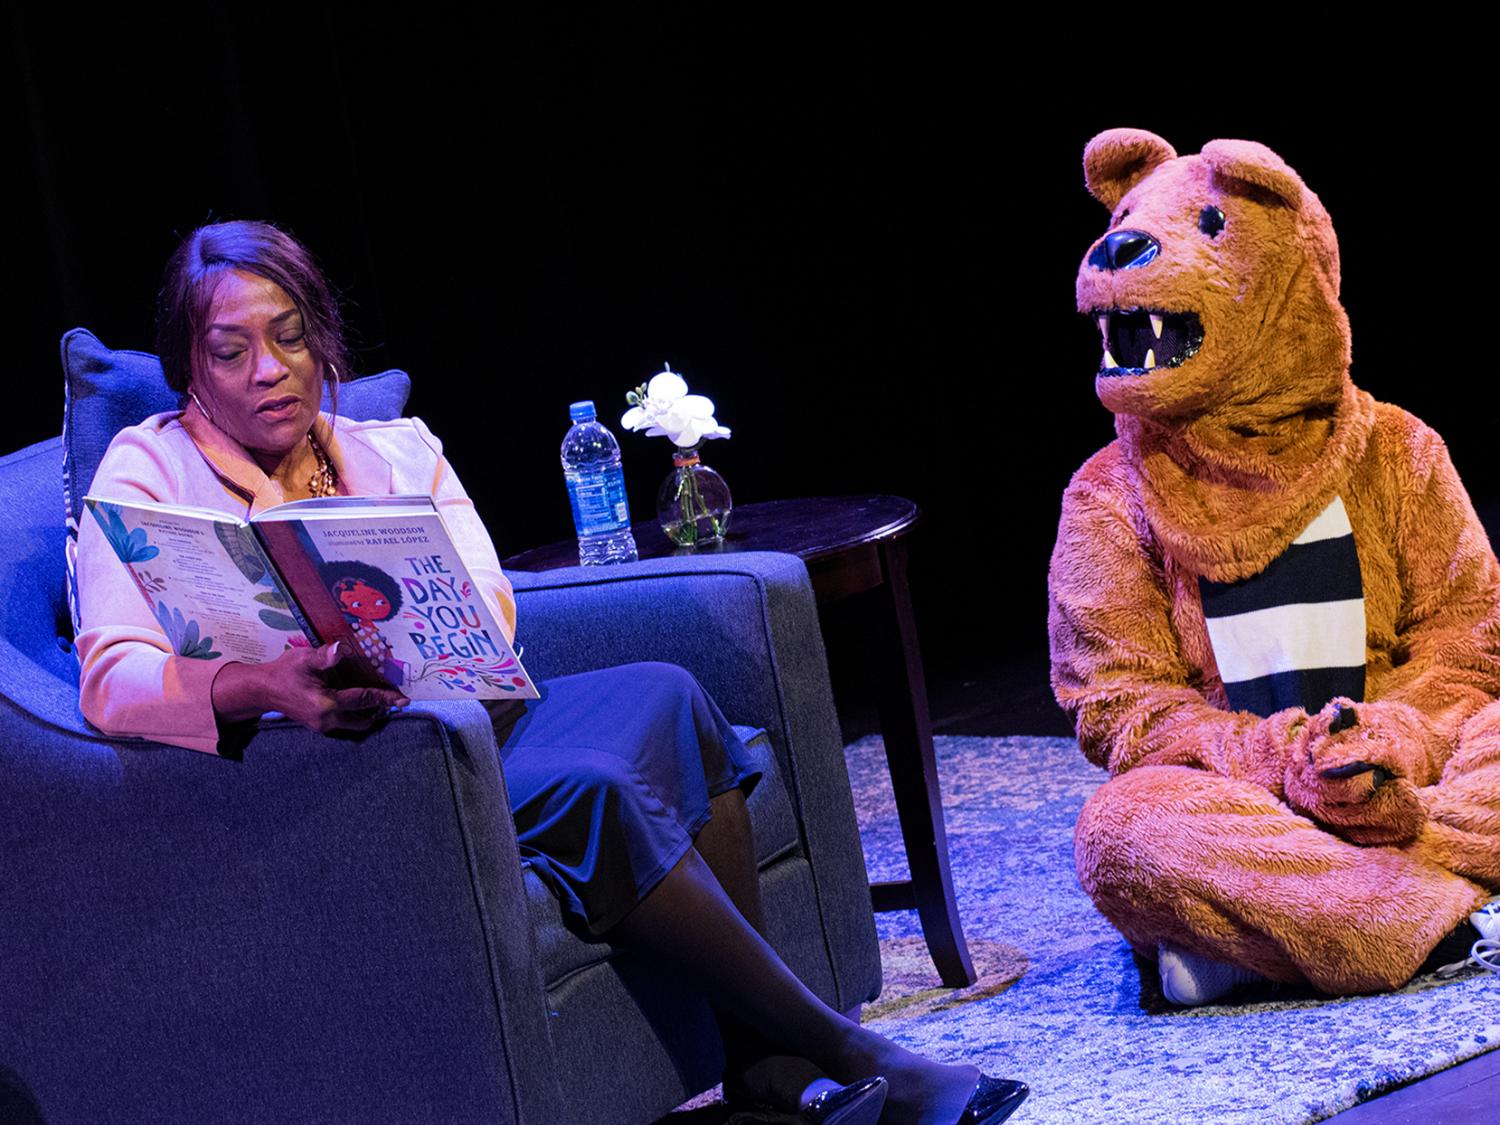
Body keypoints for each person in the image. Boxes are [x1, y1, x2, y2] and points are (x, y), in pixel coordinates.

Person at [72, 220, 1028, 1125]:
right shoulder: (146, 472)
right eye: (230, 351)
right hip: (339, 770)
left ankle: (760, 1065)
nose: (269, 371)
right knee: (599, 784)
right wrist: (266, 685)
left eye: (288, 336)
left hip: (463, 713)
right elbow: (112, 678)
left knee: (673, 694)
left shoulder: (390, 449)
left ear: (321, 337)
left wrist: (437, 634)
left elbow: (491, 597)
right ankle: (856, 1054)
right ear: (188, 368)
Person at [1050, 129, 1500, 1009]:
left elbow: (1469, 644)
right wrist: (1281, 762)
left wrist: (1386, 746)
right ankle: (1453, 916)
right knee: (1124, 830)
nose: (1121, 246)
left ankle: (1273, 939)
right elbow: (1119, 704)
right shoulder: (1110, 494)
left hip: (1408, 777)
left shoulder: (1396, 451)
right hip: (1250, 807)